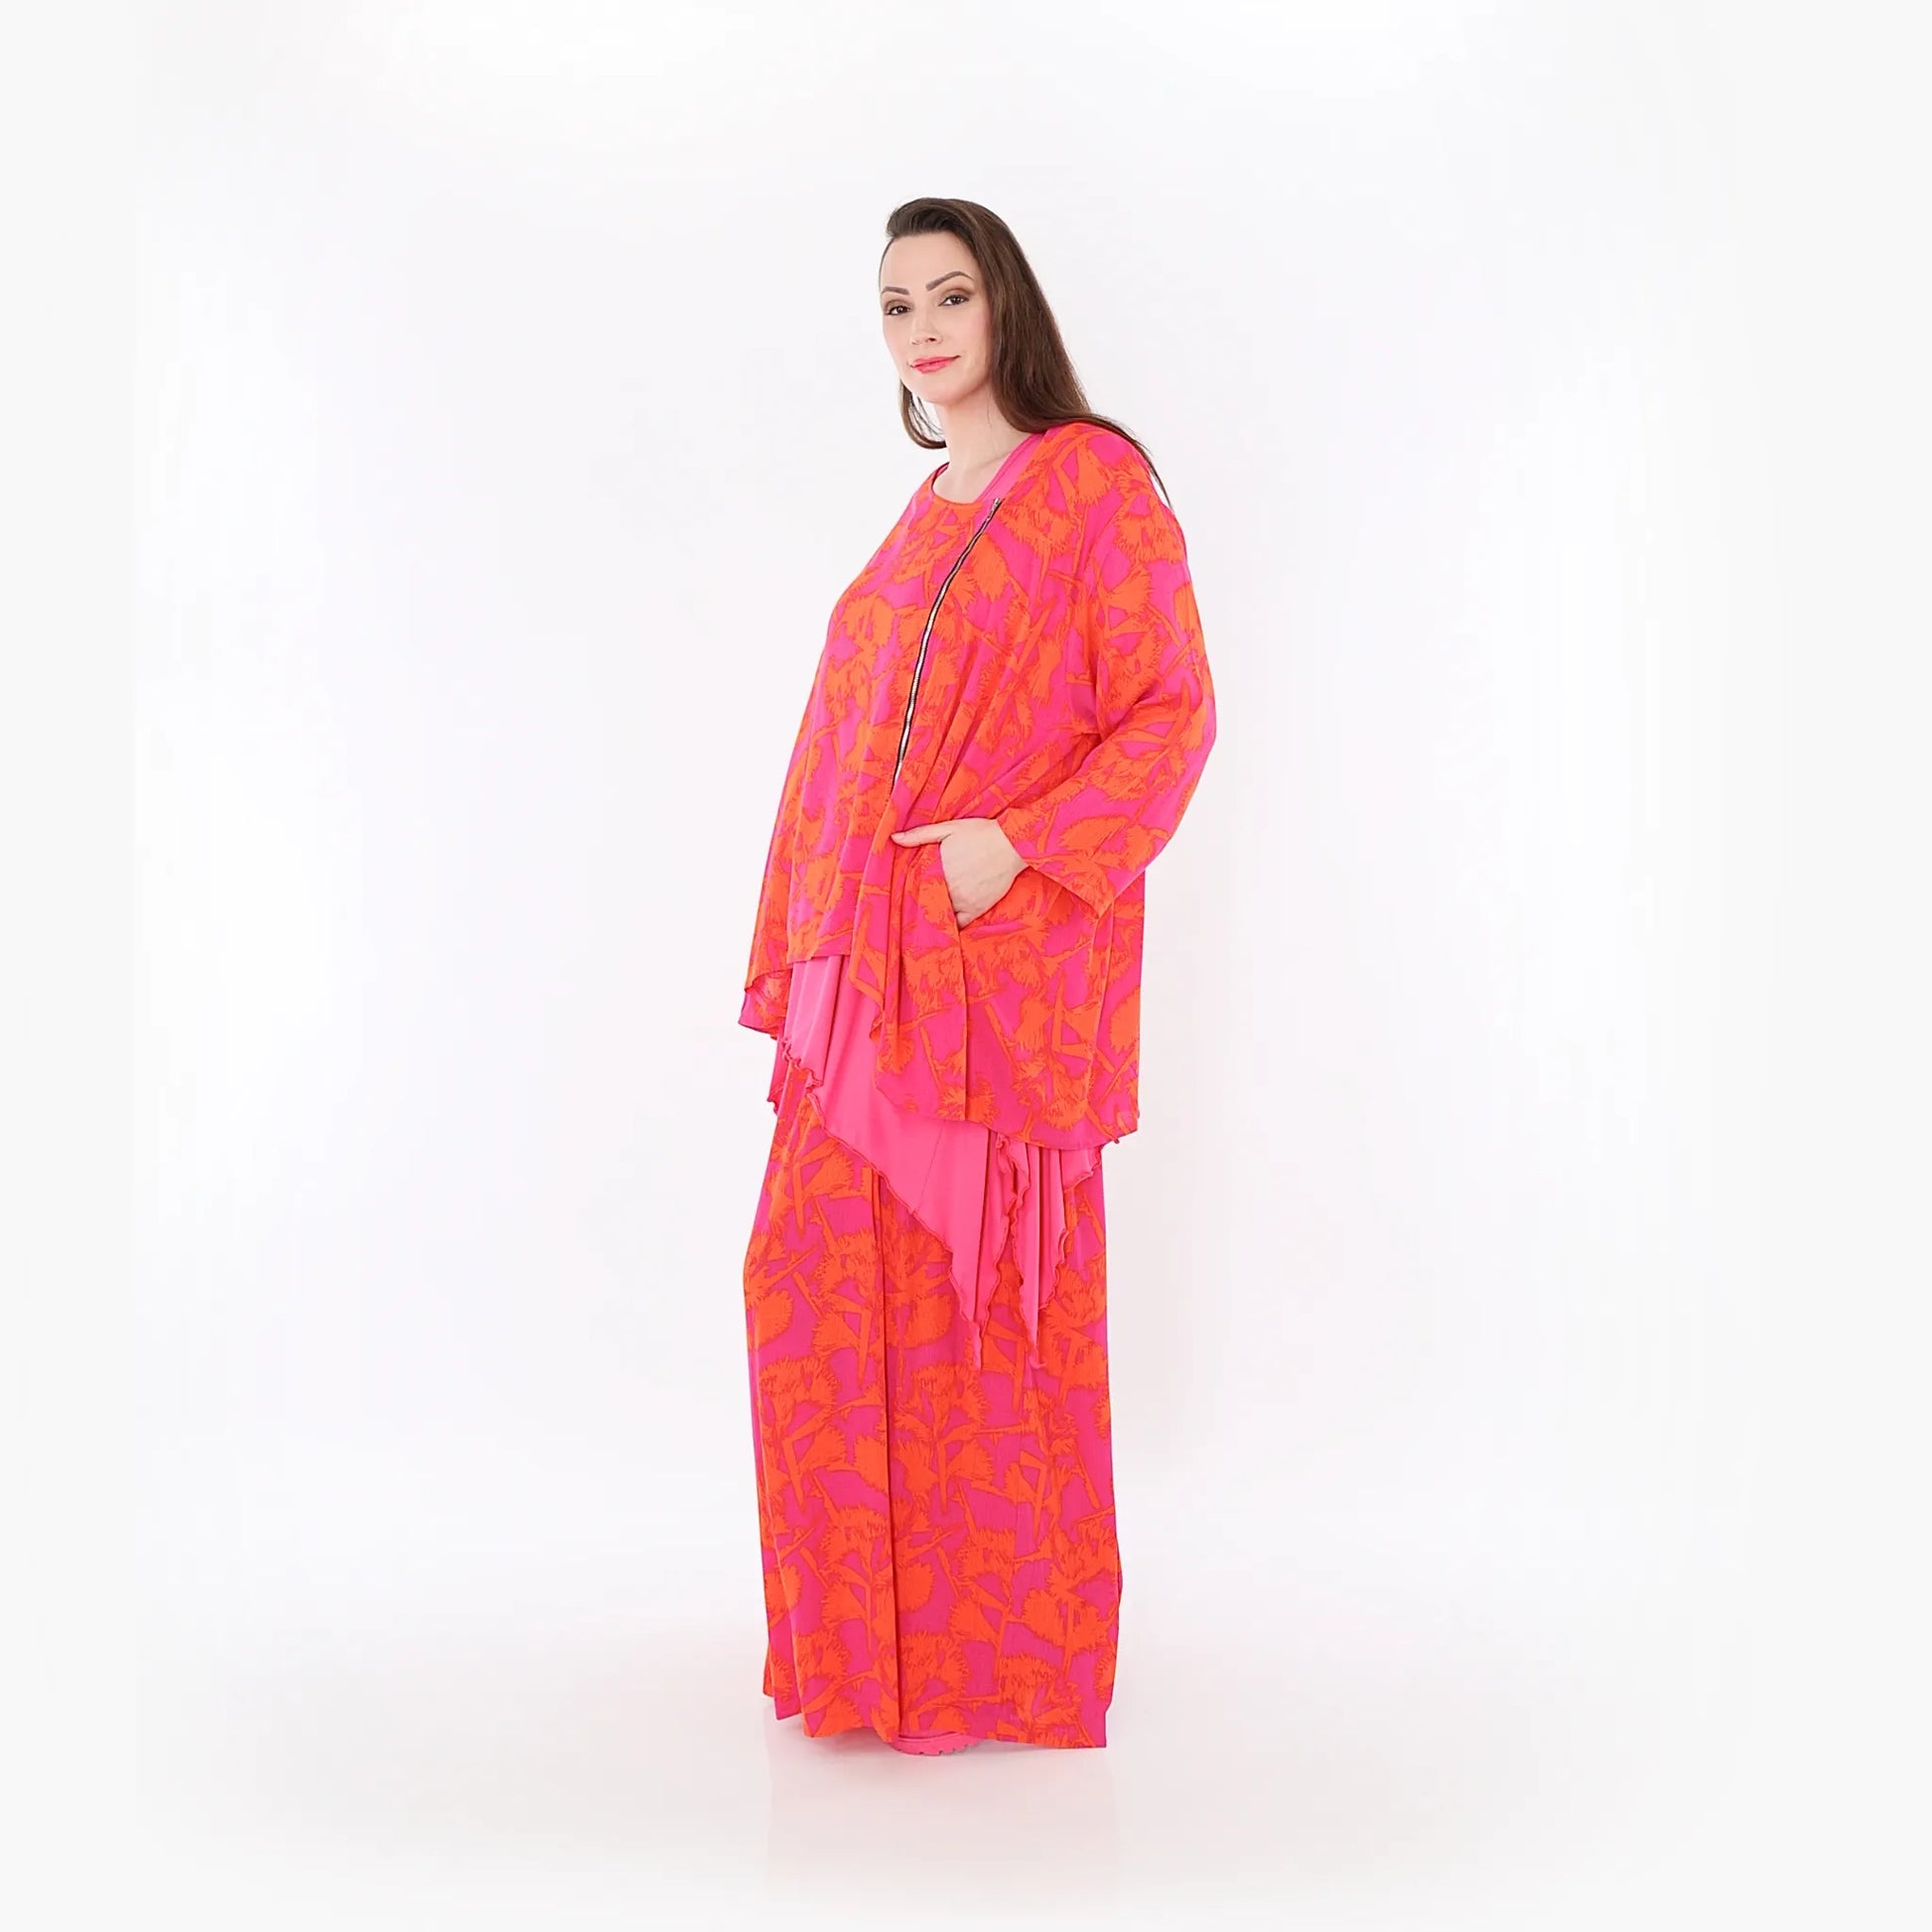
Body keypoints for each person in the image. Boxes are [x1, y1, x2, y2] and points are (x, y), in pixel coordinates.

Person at [738, 196, 1217, 1755]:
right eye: (895, 305)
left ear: (1004, 302)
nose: (923, 328)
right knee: (809, 1286)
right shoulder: (921, 512)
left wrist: (1014, 847)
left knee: (978, 1321)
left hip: (993, 988)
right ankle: (864, 1662)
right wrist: (813, 937)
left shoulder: (1089, 483)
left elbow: (1169, 712)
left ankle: (992, 1665)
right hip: (868, 986)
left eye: (949, 294)